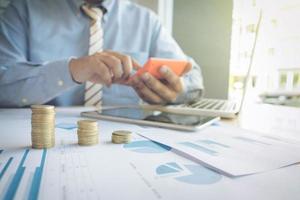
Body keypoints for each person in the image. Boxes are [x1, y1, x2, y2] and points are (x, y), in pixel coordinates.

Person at [0, 0, 204, 108]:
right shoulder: (23, 10)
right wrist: (71, 70)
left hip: (125, 145)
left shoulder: (147, 21)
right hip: (40, 141)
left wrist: (178, 91)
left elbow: (192, 76)